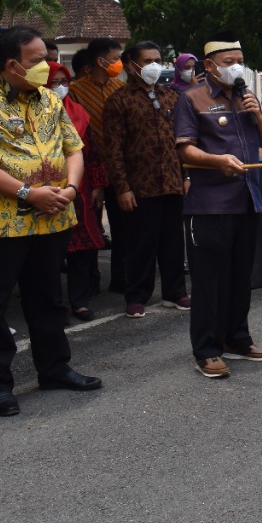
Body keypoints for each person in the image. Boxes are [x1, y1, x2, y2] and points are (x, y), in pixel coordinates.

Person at [0, 27, 101, 417]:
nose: (47, 66)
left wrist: (69, 188)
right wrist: (27, 193)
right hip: (0, 225)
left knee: (48, 298)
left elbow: (74, 149)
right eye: (37, 61)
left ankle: (55, 368)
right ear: (12, 64)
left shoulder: (51, 101)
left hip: (52, 218)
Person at [174, 32, 262, 379]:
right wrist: (218, 161)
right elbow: (185, 149)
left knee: (239, 277)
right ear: (210, 66)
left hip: (247, 200)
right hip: (210, 204)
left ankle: (238, 340)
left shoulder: (247, 96)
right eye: (229, 62)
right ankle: (207, 349)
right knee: (209, 281)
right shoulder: (192, 100)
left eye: (239, 61)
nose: (236, 68)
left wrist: (257, 115)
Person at [103, 42, 188, 319]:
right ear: (130, 65)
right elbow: (113, 149)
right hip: (141, 186)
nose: (154, 65)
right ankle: (137, 295)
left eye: (157, 59)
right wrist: (122, 188)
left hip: (172, 182)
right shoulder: (119, 100)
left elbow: (182, 141)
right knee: (140, 245)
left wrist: (186, 175)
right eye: (147, 60)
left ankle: (175, 292)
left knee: (173, 242)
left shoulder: (171, 97)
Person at [48, 61, 106, 322]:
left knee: (81, 251)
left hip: (79, 189)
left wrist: (96, 186)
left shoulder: (79, 112)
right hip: (47, 188)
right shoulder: (34, 113)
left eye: (64, 82)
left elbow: (90, 153)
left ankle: (79, 302)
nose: (60, 88)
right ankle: (54, 305)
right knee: (51, 252)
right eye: (54, 83)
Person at [68, 37, 127, 293]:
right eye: (115, 59)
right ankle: (88, 284)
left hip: (120, 169)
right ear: (100, 61)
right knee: (89, 227)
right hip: (90, 170)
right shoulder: (76, 91)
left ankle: (121, 279)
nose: (119, 63)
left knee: (123, 227)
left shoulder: (120, 87)